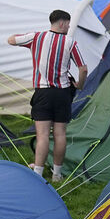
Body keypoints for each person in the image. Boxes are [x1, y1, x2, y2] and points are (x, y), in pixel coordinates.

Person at [8, 10, 88, 183]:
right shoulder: (70, 42)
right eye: (68, 23)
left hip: (43, 92)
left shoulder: (36, 37)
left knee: (42, 134)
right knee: (60, 134)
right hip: (62, 93)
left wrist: (19, 36)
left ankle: (37, 172)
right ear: (61, 23)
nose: (68, 27)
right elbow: (83, 68)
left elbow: (11, 40)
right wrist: (80, 85)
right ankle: (57, 174)